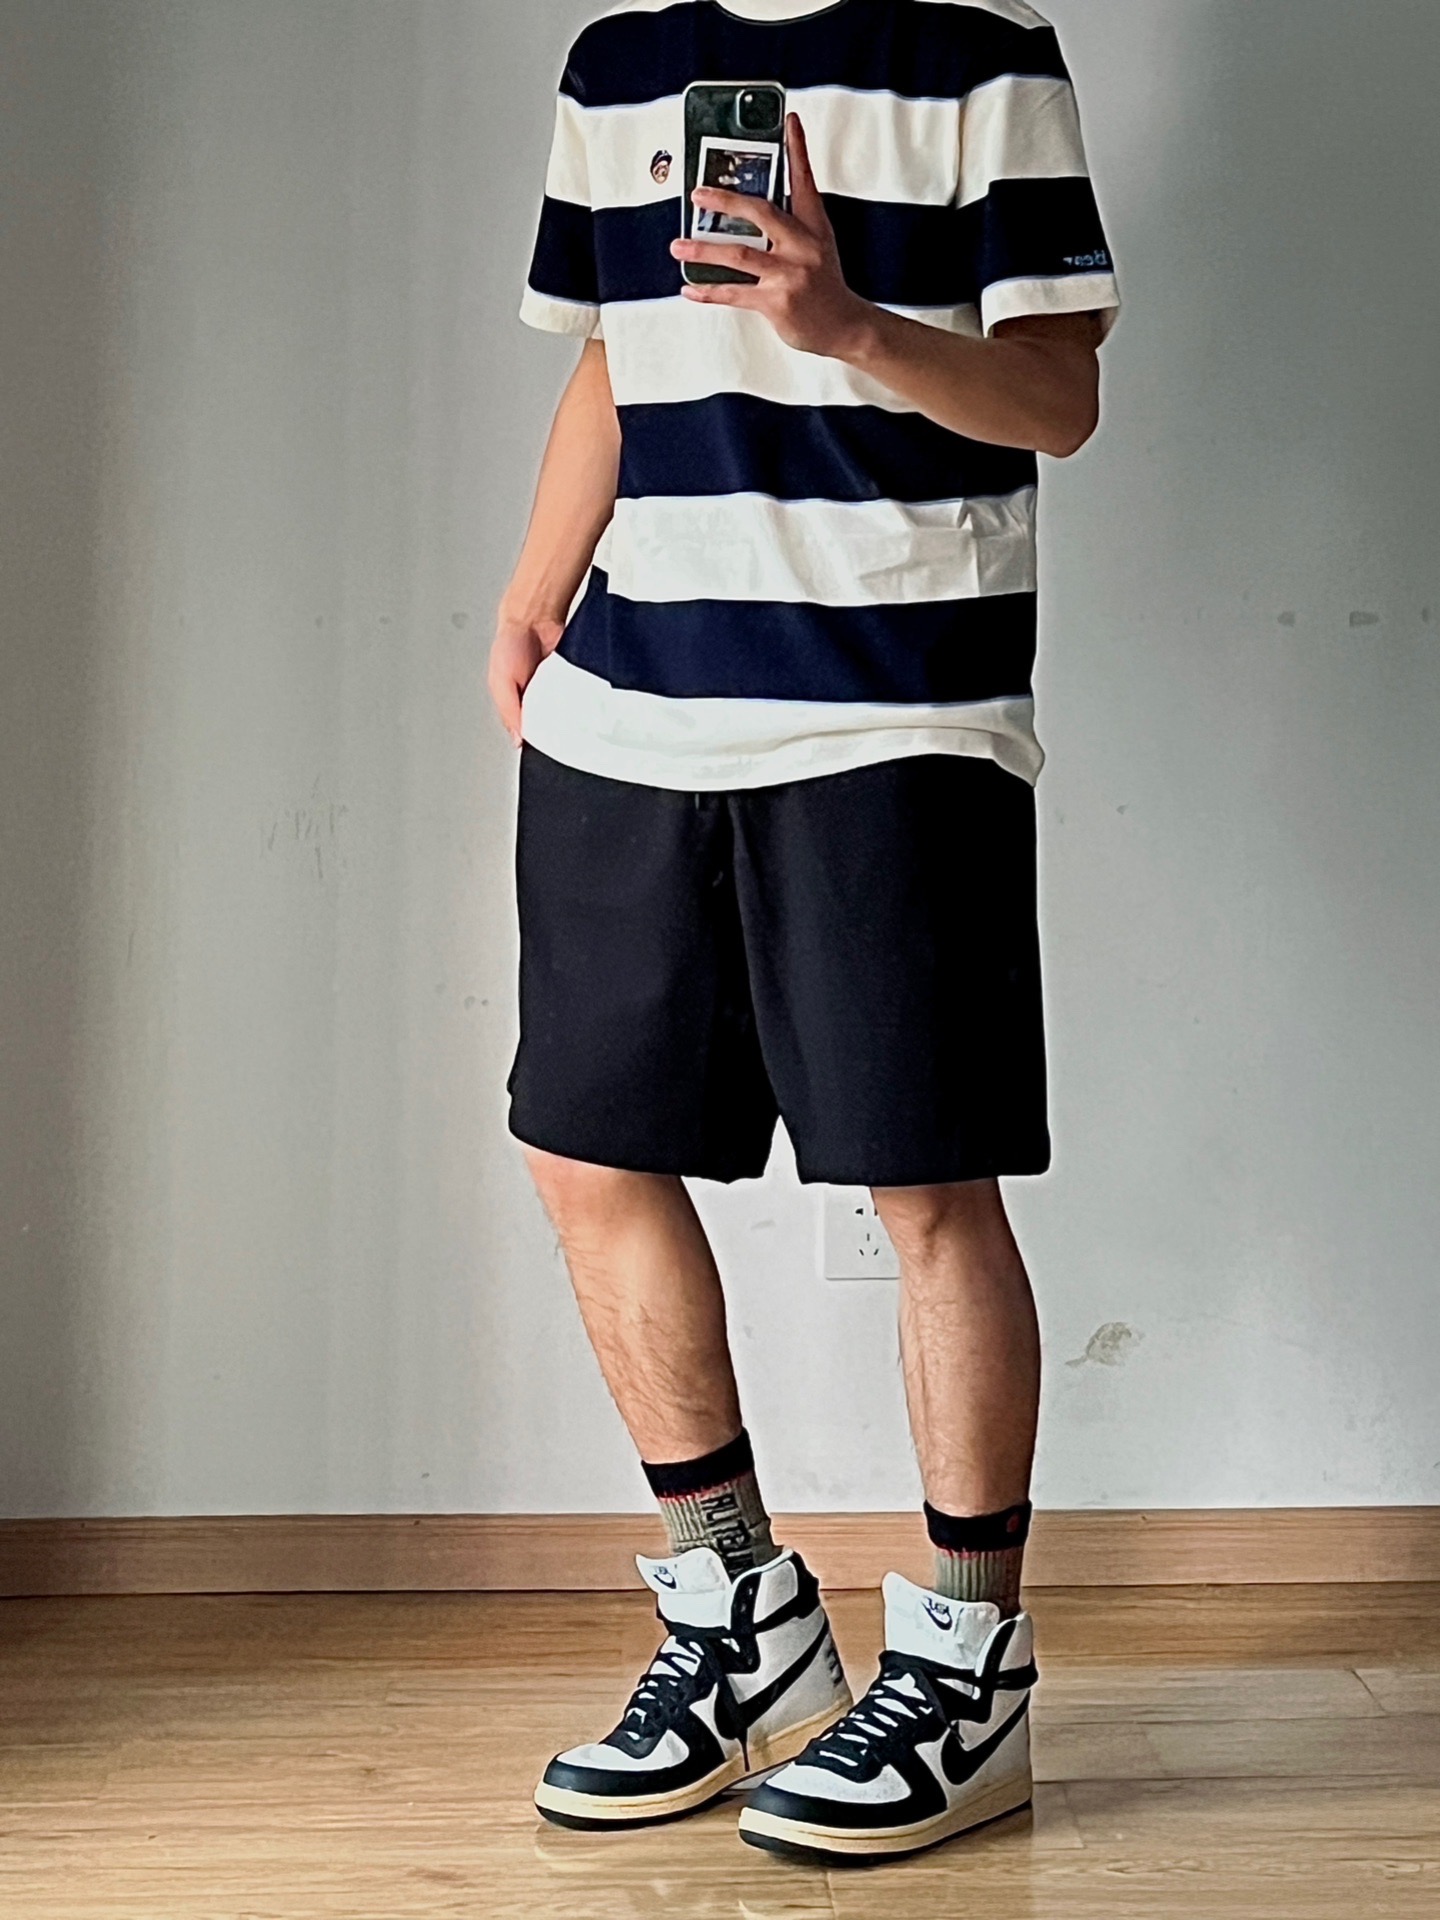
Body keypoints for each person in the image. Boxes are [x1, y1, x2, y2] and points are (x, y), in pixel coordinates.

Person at [491, 0, 1119, 1868]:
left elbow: (1059, 398)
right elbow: (614, 356)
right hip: (634, 693)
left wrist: (843, 324)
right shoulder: (619, 63)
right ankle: (742, 1623)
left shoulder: (982, 54)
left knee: (924, 1181)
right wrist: (530, 592)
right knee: (584, 1148)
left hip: (890, 699)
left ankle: (969, 1666)